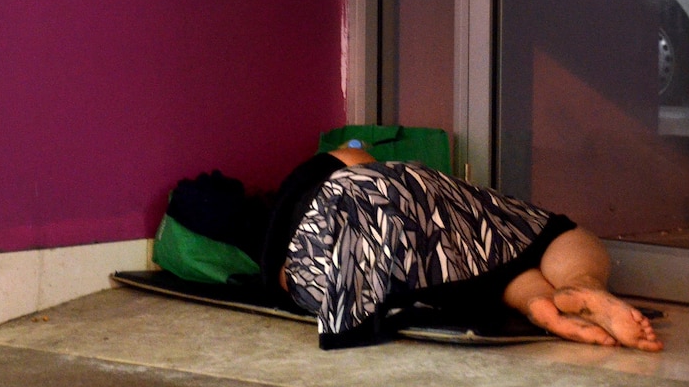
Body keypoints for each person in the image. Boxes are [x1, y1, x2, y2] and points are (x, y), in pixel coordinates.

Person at [260, 146, 663, 352]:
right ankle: (581, 282)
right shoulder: (328, 172)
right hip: (381, 201)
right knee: (543, 232)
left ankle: (538, 301)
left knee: (482, 270)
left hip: (318, 266)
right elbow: (359, 164)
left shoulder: (279, 226)